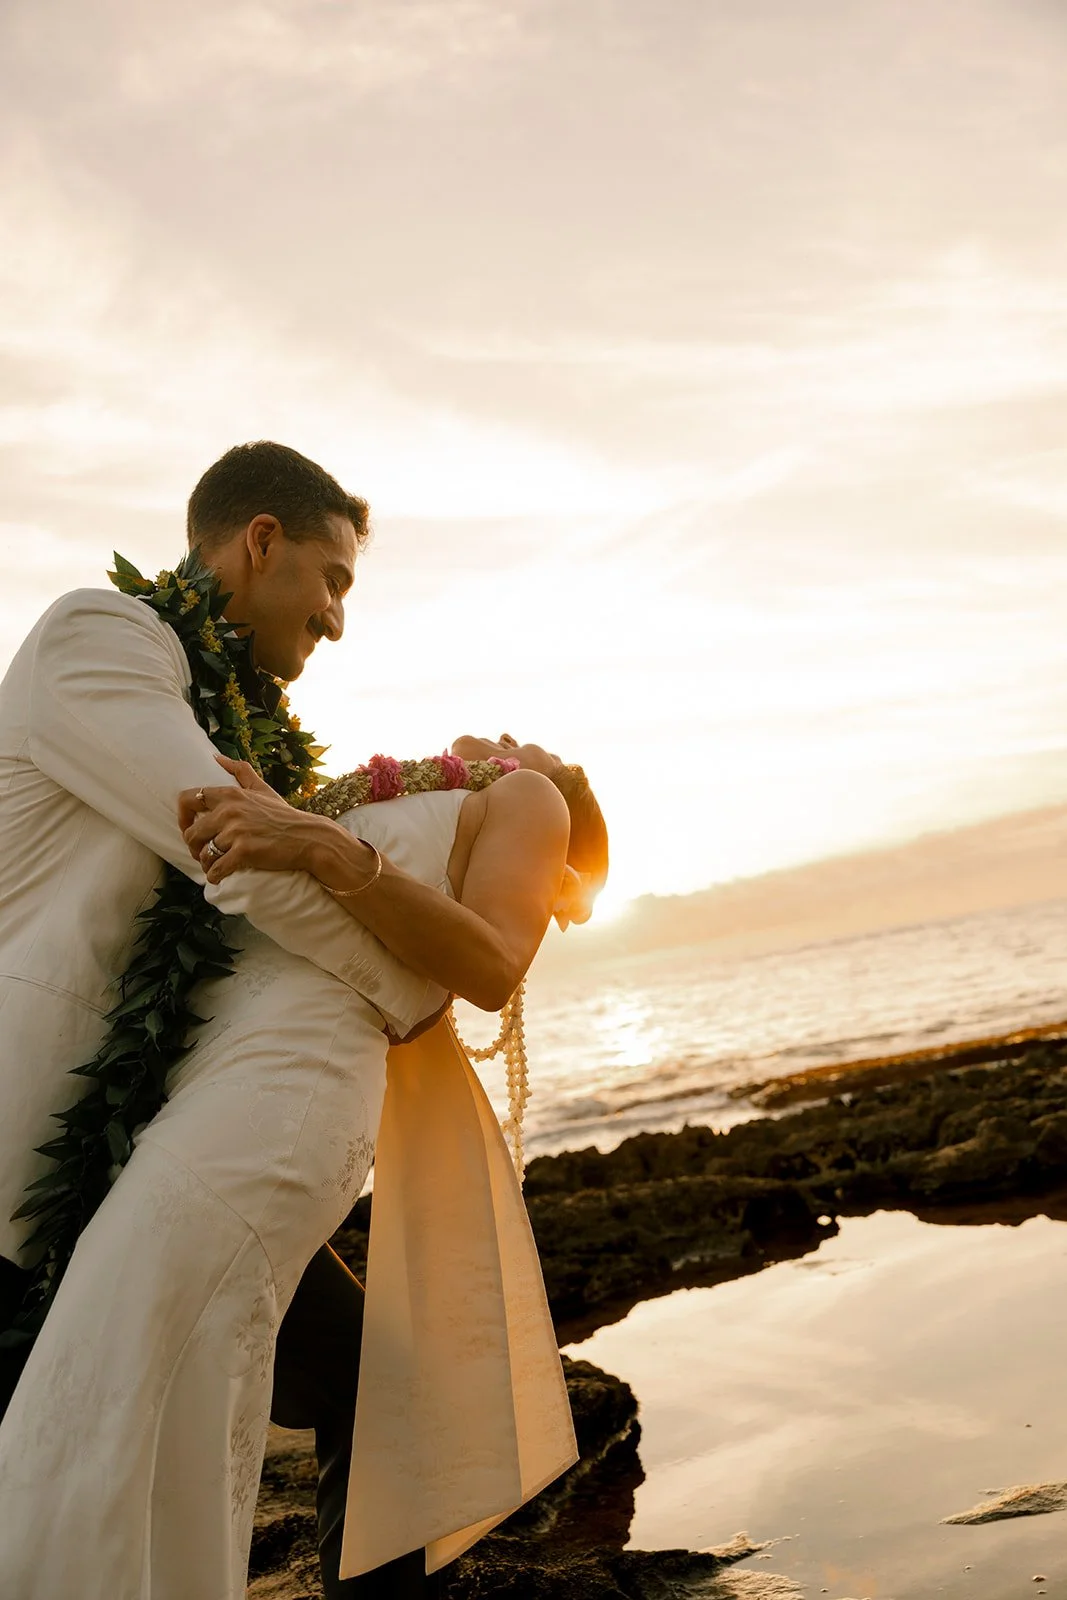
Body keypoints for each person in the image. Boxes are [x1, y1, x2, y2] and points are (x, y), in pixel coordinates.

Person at [0, 440, 580, 1599]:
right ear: (261, 540)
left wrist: (334, 864)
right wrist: (407, 979)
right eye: (332, 578)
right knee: (74, 1434)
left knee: (347, 1380)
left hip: (171, 1118)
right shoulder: (103, 638)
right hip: (35, 1122)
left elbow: (264, 885)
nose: (336, 619)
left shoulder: (235, 720)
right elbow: (234, 857)